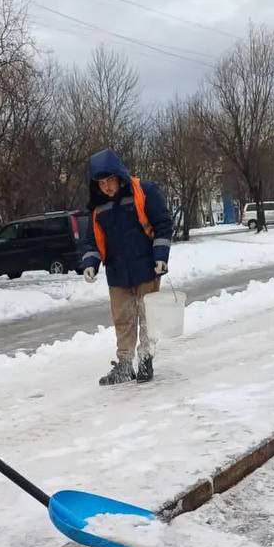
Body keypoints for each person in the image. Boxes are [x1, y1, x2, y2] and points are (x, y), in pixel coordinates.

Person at [81, 149, 173, 385]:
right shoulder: (98, 207)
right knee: (123, 319)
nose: (107, 187)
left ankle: (145, 360)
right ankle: (124, 365)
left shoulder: (144, 192)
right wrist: (90, 262)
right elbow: (91, 239)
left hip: (146, 267)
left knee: (148, 316)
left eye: (110, 180)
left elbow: (163, 224)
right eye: (101, 183)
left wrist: (161, 255)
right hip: (117, 272)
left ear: (119, 176)